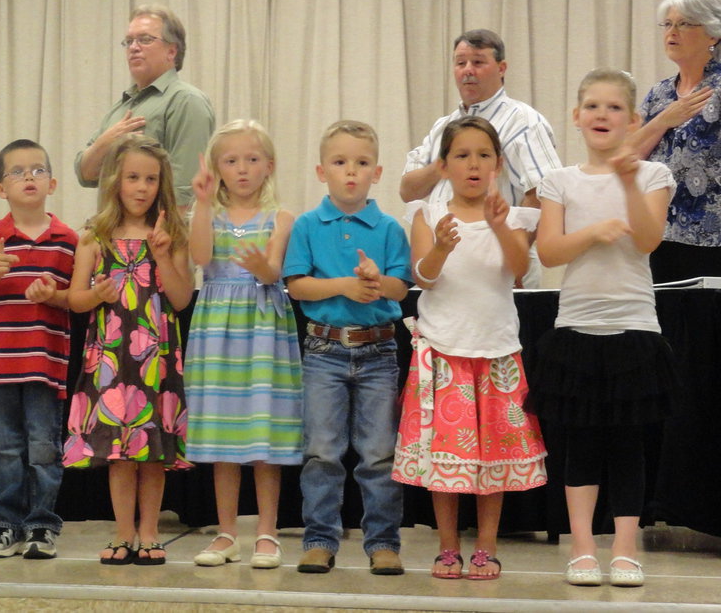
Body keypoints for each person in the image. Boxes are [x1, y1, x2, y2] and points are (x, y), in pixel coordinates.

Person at [528, 69, 677, 588]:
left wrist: (629, 180)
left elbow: (647, 240)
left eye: (614, 108)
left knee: (628, 446)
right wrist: (591, 232)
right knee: (581, 444)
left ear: (633, 119)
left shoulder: (655, 176)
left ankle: (626, 549)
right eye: (592, 106)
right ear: (576, 116)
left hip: (634, 327)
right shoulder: (559, 182)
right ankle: (584, 549)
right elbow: (548, 251)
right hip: (576, 329)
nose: (601, 115)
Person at [392, 116, 548, 581]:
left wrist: (501, 227)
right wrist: (439, 247)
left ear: (498, 163)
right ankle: (446, 548)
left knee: (491, 458)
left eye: (483, 155)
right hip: (443, 352)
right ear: (444, 166)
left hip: (497, 353)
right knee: (448, 460)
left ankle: (485, 547)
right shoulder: (427, 214)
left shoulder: (514, 216)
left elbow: (519, 270)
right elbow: (423, 277)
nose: (473, 164)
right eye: (461, 155)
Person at [283, 120, 411, 576]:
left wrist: (379, 283)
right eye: (340, 163)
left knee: (378, 452)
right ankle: (320, 538)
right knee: (322, 450)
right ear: (322, 171)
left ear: (377, 173)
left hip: (379, 354)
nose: (350, 172)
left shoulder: (390, 227)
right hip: (324, 350)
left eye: (361, 163)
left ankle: (382, 542)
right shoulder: (307, 225)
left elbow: (401, 288)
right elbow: (297, 287)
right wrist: (346, 285)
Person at [63, 134, 194, 566]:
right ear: (116, 181)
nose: (142, 187)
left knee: (152, 451)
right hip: (112, 356)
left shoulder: (170, 232)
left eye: (151, 179)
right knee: (120, 451)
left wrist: (162, 256)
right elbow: (76, 300)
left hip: (156, 355)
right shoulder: (95, 235)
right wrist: (97, 294)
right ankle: (123, 532)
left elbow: (180, 299)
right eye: (133, 177)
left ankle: (150, 532)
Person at [184, 120, 301, 570]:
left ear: (268, 165)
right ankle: (226, 531)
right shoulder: (207, 214)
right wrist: (198, 202)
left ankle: (267, 531)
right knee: (222, 434)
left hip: (263, 328)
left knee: (262, 434)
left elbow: (273, 272)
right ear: (216, 168)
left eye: (252, 160)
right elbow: (198, 257)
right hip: (217, 328)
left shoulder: (282, 217)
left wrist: (260, 266)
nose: (243, 169)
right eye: (231, 161)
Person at [0, 139, 77, 560]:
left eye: (37, 170)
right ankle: (6, 524)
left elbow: (75, 300)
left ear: (52, 183)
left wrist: (53, 295)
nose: (28, 177)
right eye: (17, 172)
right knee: (4, 449)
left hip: (45, 364)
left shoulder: (68, 239)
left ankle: (43, 525)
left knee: (44, 448)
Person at [399, 29, 562, 287]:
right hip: (443, 262)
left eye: (478, 62)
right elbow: (408, 190)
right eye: (460, 62)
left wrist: (515, 253)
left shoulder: (524, 121)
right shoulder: (443, 126)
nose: (468, 70)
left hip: (499, 266)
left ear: (501, 67)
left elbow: (544, 193)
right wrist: (446, 161)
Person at [73, 5, 215, 208]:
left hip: (159, 236)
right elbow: (84, 174)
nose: (133, 47)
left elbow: (186, 190)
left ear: (171, 51)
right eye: (129, 41)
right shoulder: (121, 106)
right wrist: (105, 143)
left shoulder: (186, 101)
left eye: (145, 39)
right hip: (112, 233)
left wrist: (164, 236)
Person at [630, 0, 721, 282]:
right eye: (668, 24)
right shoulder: (660, 95)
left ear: (713, 34)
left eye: (684, 24)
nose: (672, 32)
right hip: (661, 236)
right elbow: (627, 155)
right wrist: (664, 120)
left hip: (713, 240)